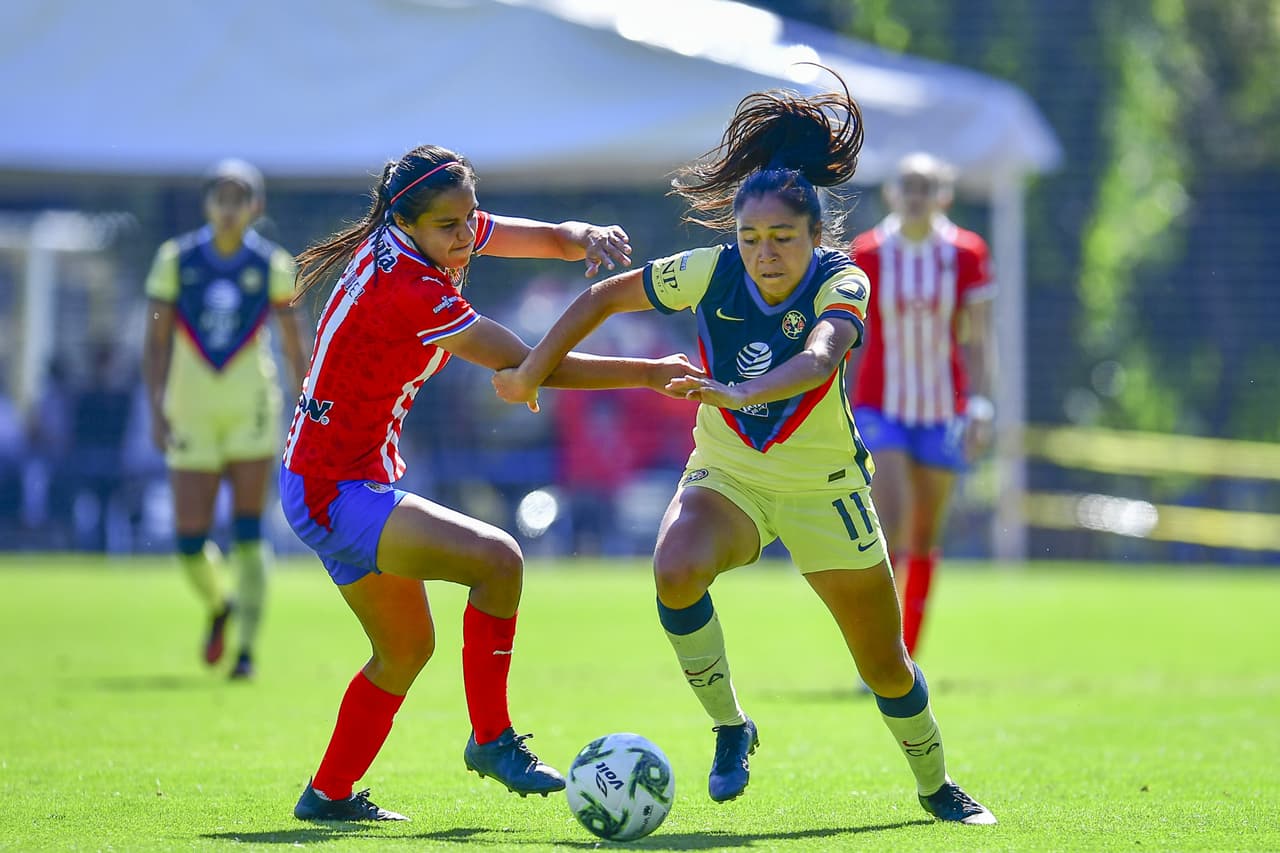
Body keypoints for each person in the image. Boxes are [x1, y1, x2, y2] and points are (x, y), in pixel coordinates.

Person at [494, 79, 996, 825]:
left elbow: (823, 356)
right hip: (728, 476)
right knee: (674, 569)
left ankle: (936, 783)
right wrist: (532, 372)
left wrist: (733, 393)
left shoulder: (843, 277)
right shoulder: (709, 270)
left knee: (884, 663)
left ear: (813, 237)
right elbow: (602, 299)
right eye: (751, 239)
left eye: (783, 239)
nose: (765, 254)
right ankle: (731, 726)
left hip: (824, 489)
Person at [281, 143, 698, 822]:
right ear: (406, 222)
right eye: (450, 225)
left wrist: (577, 237)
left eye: (469, 216)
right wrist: (647, 372)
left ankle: (326, 794)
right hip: (335, 491)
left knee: (406, 649)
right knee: (498, 560)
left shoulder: (423, 234)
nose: (466, 234)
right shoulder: (408, 289)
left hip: (324, 482)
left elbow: (507, 234)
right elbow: (529, 365)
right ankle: (492, 738)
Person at [143, 159, 309, 679]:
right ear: (208, 204)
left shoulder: (272, 265)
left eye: (240, 198)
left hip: (251, 408)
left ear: (255, 207)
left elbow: (292, 340)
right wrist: (155, 407)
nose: (230, 208)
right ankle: (220, 604)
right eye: (221, 197)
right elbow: (155, 341)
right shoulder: (175, 259)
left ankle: (247, 651)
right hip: (191, 407)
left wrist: (307, 401)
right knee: (189, 539)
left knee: (247, 531)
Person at [849, 152, 996, 659]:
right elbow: (851, 338)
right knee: (888, 524)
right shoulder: (866, 252)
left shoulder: (966, 253)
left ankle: (908, 656)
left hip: (943, 409)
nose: (915, 197)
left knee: (924, 535)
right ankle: (881, 652)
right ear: (891, 194)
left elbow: (978, 339)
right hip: (879, 406)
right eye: (906, 186)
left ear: (943, 196)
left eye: (925, 187)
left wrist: (979, 405)